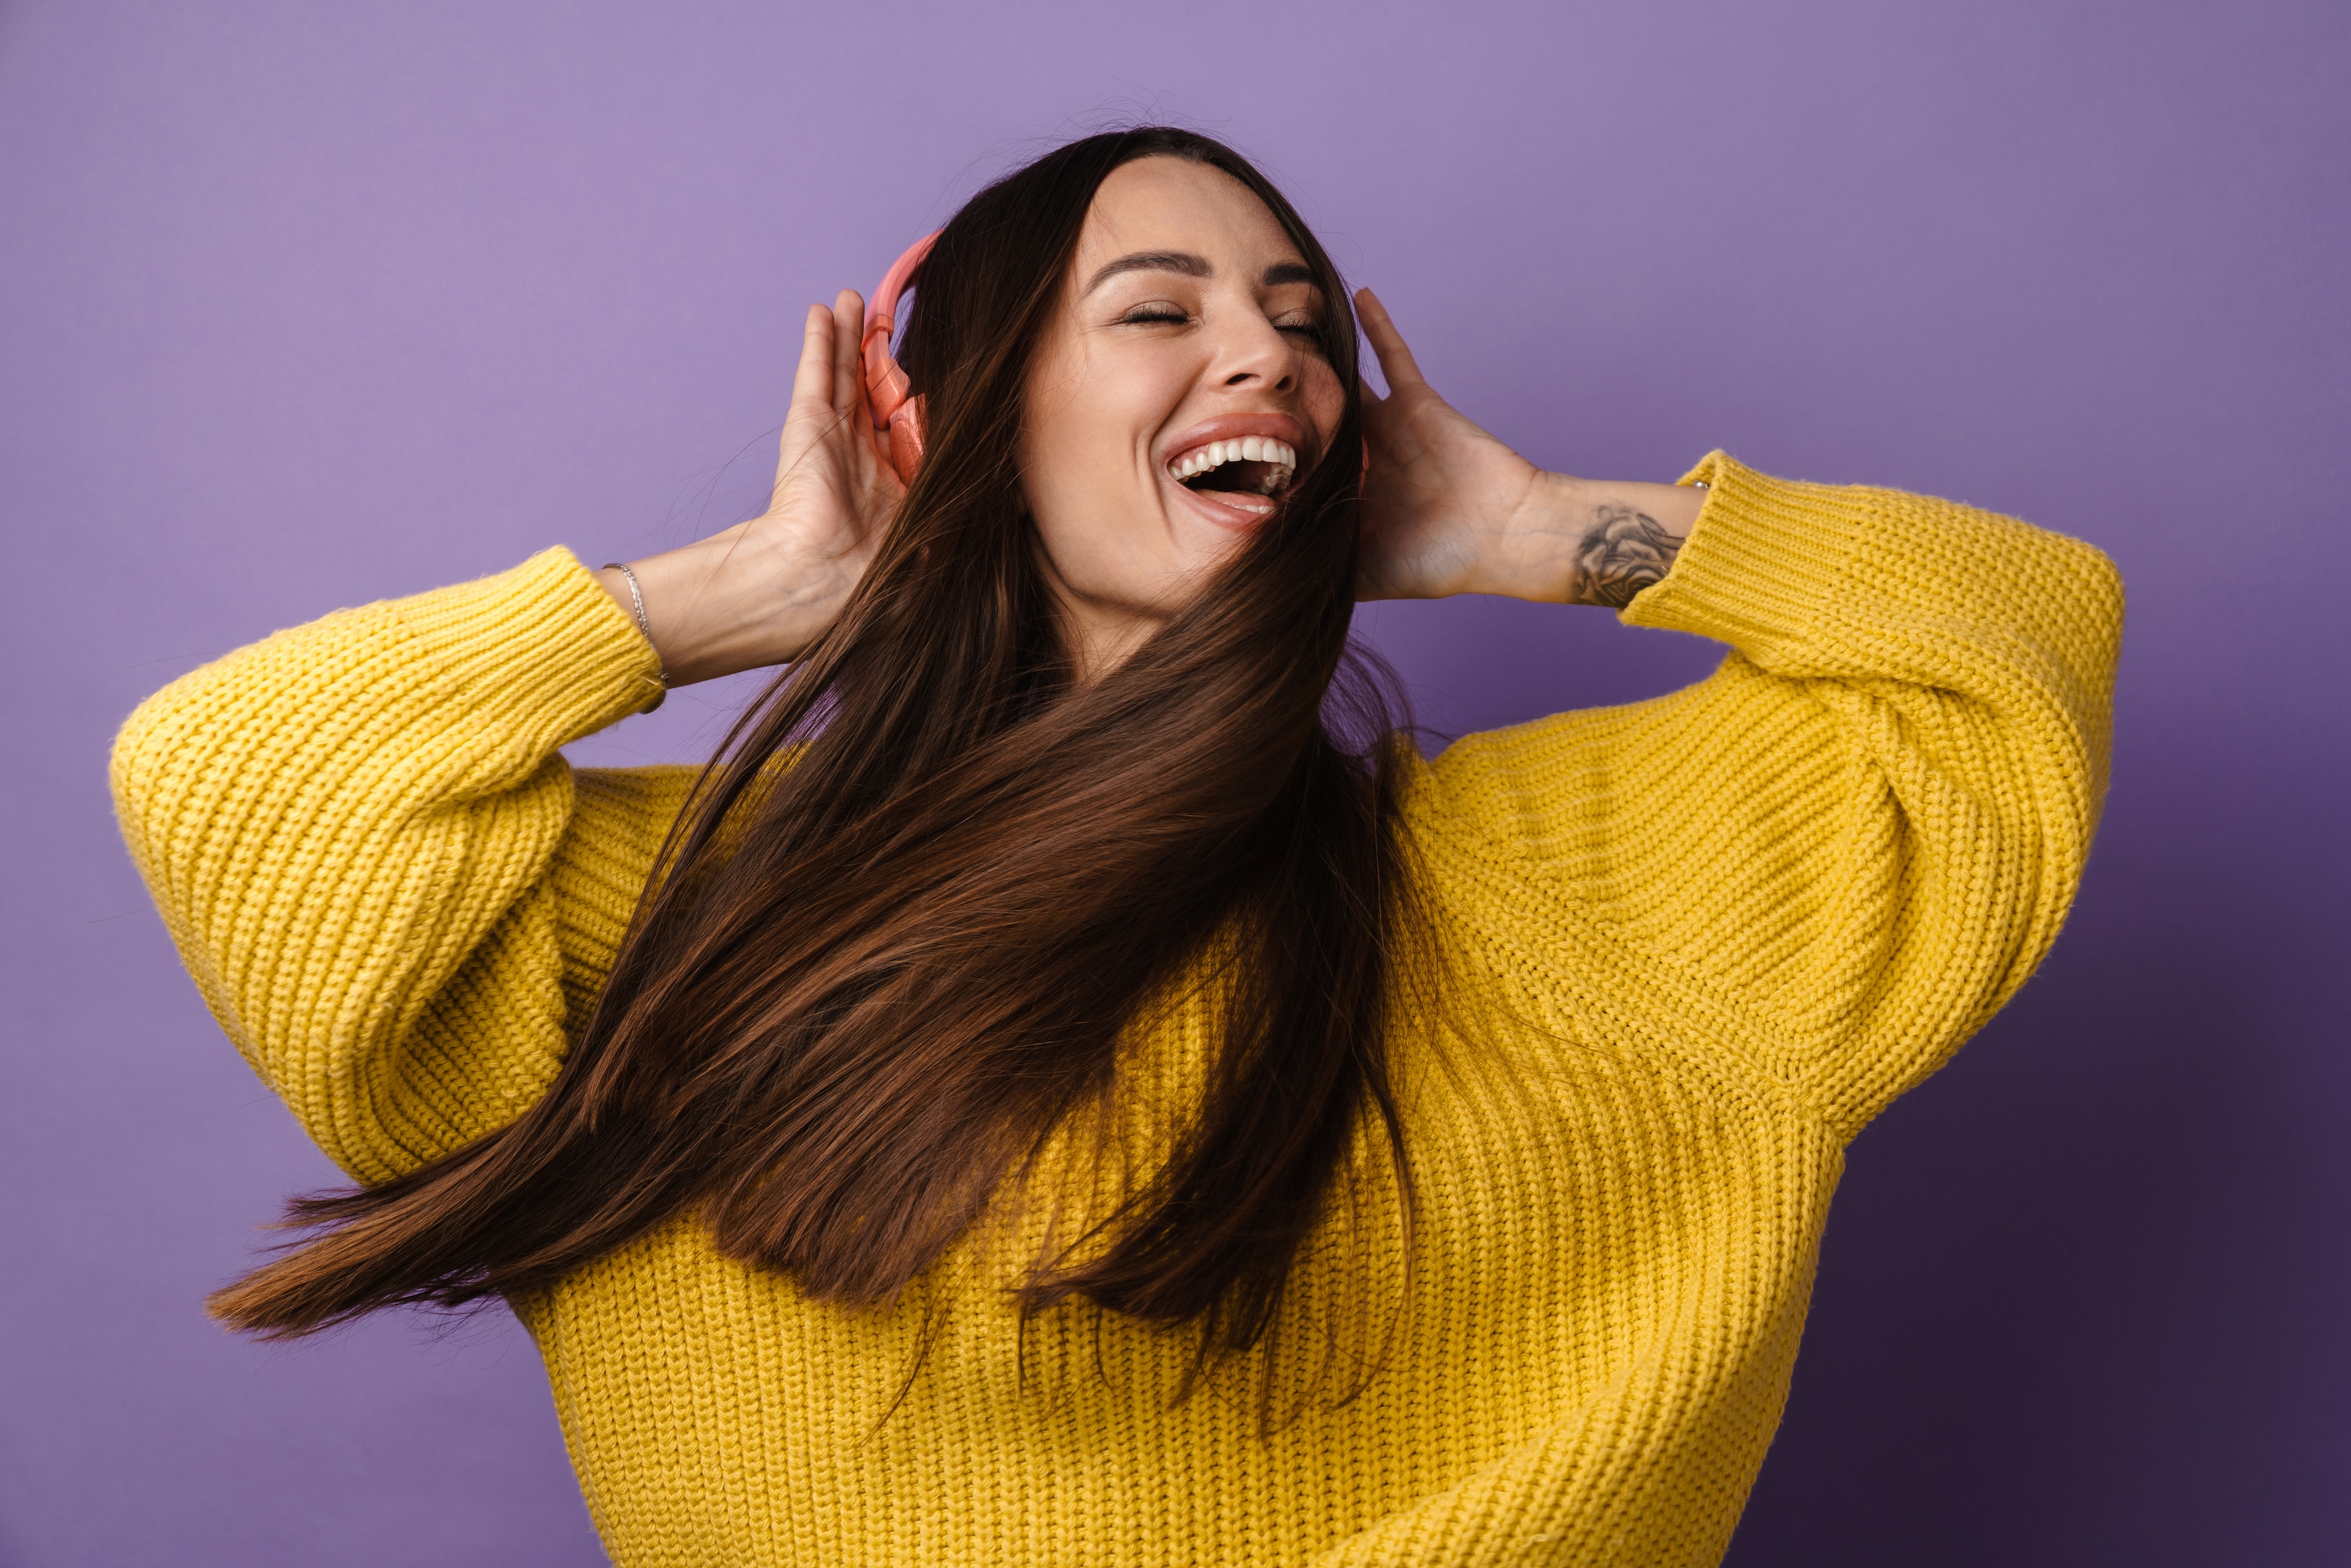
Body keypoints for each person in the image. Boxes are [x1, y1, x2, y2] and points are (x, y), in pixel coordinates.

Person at [111, 126, 2123, 1566]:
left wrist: (1530, 531)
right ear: (959, 420)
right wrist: (760, 581)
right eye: (1155, 309)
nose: (1264, 355)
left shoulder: (1591, 877)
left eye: (1297, 321)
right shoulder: (691, 928)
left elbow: (2010, 656)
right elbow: (237, 772)